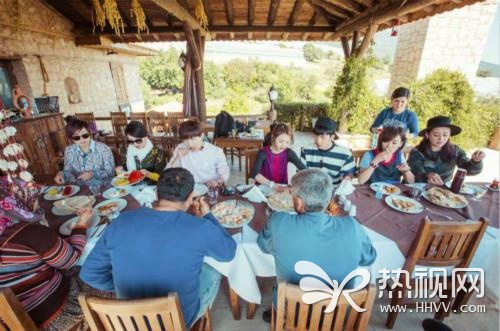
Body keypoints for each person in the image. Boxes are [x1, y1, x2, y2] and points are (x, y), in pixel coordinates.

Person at [80, 168, 236, 328]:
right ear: (191, 197)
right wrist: (208, 216)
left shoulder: (121, 221)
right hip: (177, 322)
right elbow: (229, 252)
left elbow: (89, 274)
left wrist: (124, 286)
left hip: (129, 322)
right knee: (214, 270)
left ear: (156, 194)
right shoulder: (200, 227)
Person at [257, 169, 376, 322]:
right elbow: (369, 259)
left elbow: (263, 246)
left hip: (293, 311)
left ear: (298, 202)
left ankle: (277, 314)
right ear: (328, 200)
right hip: (336, 314)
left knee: (280, 288)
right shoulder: (352, 226)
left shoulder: (278, 221)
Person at [0, 206, 94, 330]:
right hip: (55, 318)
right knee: (102, 271)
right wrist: (82, 223)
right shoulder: (28, 232)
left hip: (13, 324)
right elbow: (71, 259)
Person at [408, 116, 484, 185]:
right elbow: (414, 174)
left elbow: (468, 170)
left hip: (443, 191)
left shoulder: (455, 151)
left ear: (449, 134)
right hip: (418, 188)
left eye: (445, 135)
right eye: (436, 135)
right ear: (427, 135)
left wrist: (476, 161)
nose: (441, 139)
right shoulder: (417, 152)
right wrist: (427, 176)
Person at [167, 120, 230, 188]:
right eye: (185, 139)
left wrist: (218, 181)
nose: (189, 143)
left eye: (192, 139)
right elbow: (168, 173)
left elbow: (224, 173)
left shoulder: (215, 151)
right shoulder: (181, 148)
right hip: (188, 188)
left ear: (202, 136)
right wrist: (178, 158)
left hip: (211, 188)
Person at [54, 118, 114, 186]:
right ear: (71, 139)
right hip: (79, 188)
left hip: (102, 186)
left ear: (90, 133)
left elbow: (110, 172)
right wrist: (61, 174)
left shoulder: (103, 149)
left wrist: (92, 174)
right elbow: (68, 171)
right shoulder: (69, 151)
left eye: (85, 135)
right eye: (76, 137)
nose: (82, 139)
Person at [300, 117, 356, 187]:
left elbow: (350, 173)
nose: (318, 141)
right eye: (315, 136)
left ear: (332, 137)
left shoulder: (345, 154)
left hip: (333, 191)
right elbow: (301, 173)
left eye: (322, 137)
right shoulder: (306, 150)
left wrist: (348, 177)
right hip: (311, 190)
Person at [251, 123, 305, 187]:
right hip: (264, 187)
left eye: (287, 142)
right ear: (273, 137)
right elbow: (255, 174)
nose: (284, 145)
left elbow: (304, 169)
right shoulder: (263, 152)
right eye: (281, 141)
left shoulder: (288, 153)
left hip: (281, 189)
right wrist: (272, 184)